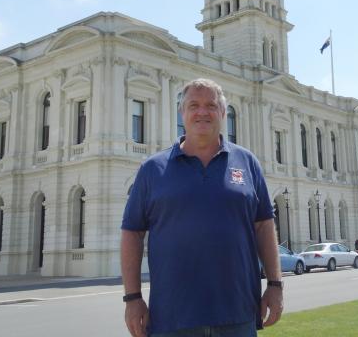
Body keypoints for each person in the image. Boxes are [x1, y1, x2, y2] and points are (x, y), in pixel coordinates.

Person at [121, 78, 283, 337]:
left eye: (211, 105)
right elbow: (132, 232)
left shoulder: (247, 163)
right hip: (172, 318)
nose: (202, 111)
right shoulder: (152, 169)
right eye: (194, 105)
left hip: (238, 314)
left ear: (222, 112)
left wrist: (275, 285)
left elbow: (264, 225)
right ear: (181, 112)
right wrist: (132, 298)